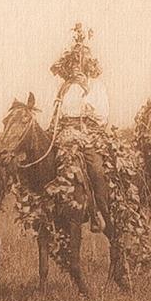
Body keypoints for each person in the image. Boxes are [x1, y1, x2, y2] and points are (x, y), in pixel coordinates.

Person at [56, 66, 112, 232]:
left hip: (89, 133)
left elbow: (102, 114)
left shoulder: (96, 86)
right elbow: (58, 113)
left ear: (87, 66)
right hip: (65, 134)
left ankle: (99, 210)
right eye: (71, 66)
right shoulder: (65, 87)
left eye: (78, 65)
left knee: (96, 168)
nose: (75, 70)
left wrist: (87, 90)